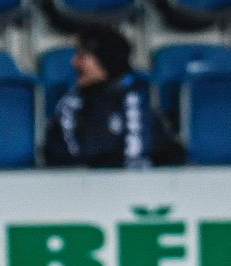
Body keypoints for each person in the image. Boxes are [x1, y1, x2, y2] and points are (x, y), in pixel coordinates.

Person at [43, 28, 181, 170]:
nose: (74, 62)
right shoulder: (71, 102)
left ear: (105, 61)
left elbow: (159, 153)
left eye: (82, 56)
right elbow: (60, 156)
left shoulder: (139, 98)